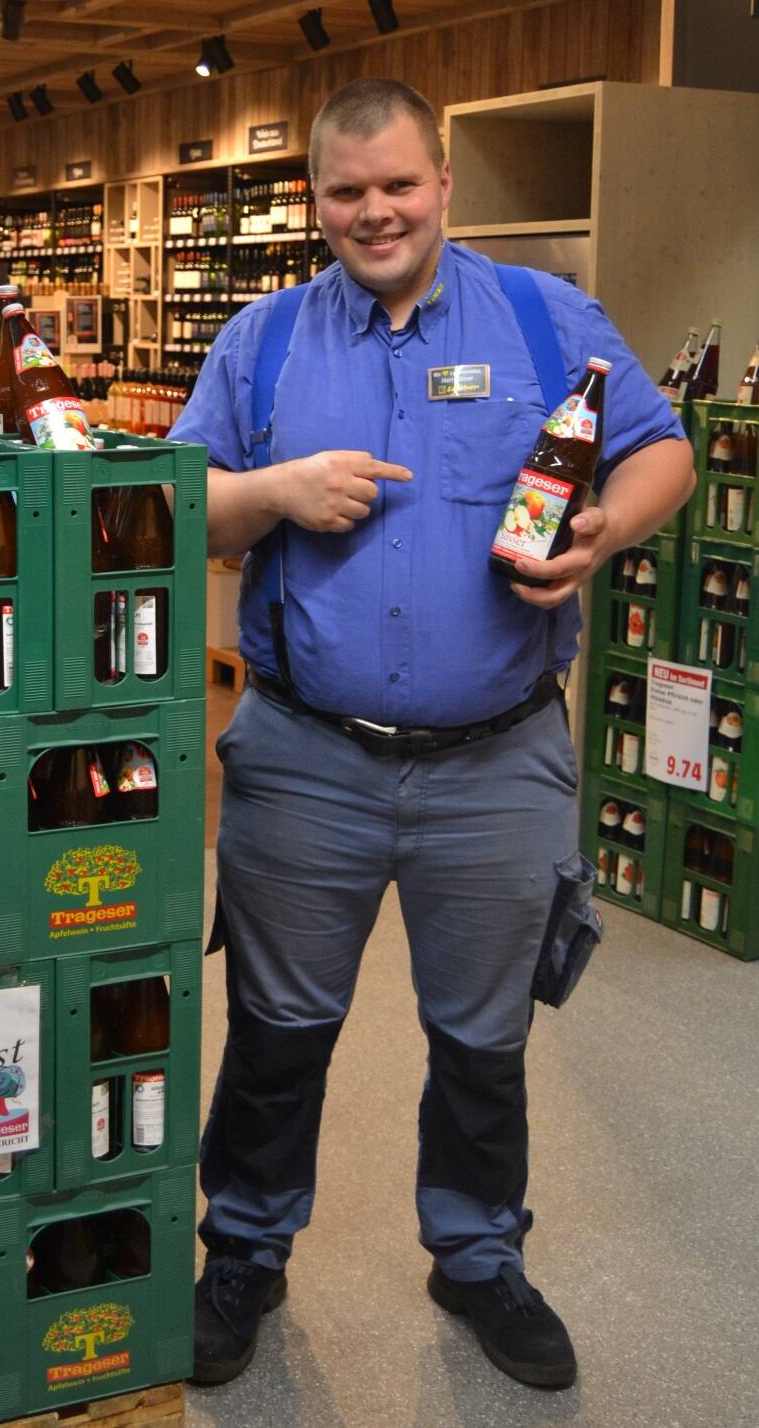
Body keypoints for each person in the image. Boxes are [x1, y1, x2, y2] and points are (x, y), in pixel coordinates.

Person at [171, 77, 693, 1392]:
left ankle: (477, 1258)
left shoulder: (541, 319)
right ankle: (243, 1248)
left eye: (398, 184)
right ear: (314, 203)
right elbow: (176, 513)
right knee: (279, 1026)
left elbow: (660, 449)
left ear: (443, 184)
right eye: (346, 192)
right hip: (305, 755)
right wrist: (272, 491)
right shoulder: (266, 342)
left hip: (500, 757)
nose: (375, 212)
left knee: (483, 1036)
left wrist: (604, 533)